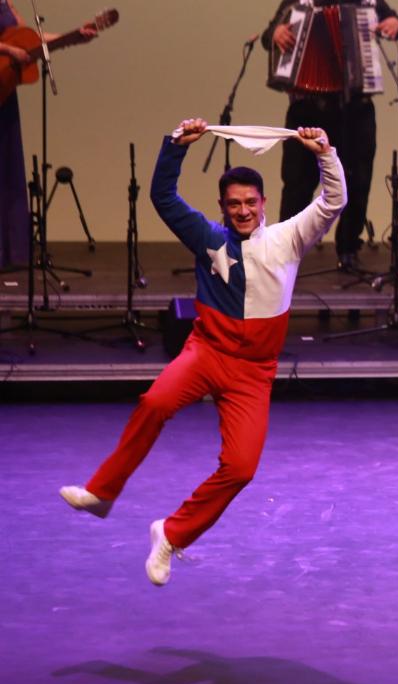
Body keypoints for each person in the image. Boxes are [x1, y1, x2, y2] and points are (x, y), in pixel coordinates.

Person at [60, 119, 345, 586]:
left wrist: (324, 154)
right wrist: (175, 145)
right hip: (207, 352)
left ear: (264, 204)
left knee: (241, 467)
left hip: (253, 373)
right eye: (234, 204)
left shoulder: (289, 238)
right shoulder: (207, 236)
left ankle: (170, 535)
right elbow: (164, 198)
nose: (243, 211)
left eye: (250, 203)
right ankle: (103, 492)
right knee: (154, 402)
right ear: (222, 207)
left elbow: (333, 201)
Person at [262, 0, 398, 271]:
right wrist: (278, 32)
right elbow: (271, 33)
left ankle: (348, 248)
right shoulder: (299, 1)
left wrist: (395, 23)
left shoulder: (371, 1)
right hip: (307, 108)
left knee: (357, 179)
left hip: (355, 108)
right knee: (297, 180)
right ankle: (287, 249)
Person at [0, 0, 96, 268]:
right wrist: (8, 52)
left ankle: (9, 254)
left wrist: (70, 38)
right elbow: (13, 48)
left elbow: (27, 38)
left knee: (7, 174)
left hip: (3, 94)